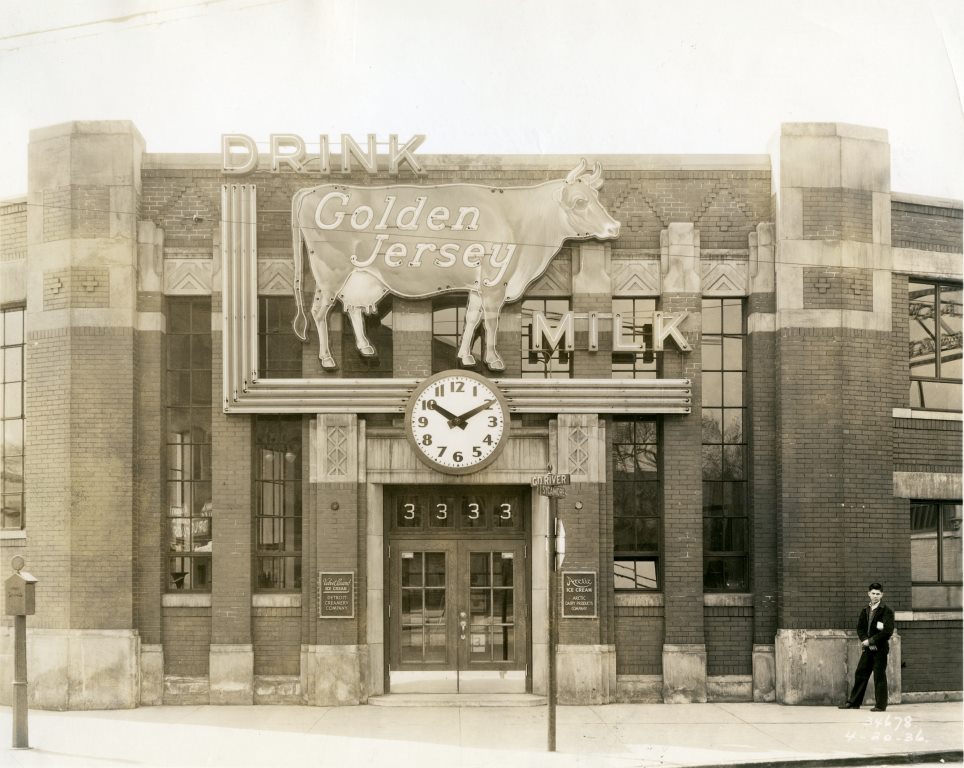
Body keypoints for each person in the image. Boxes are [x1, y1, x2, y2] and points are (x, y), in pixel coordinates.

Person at [838, 582, 895, 711]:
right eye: (873, 593)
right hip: (868, 648)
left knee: (879, 676)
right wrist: (865, 641)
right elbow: (860, 628)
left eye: (878, 594)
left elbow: (887, 631)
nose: (875, 596)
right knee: (861, 673)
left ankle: (880, 705)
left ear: (882, 595)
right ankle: (854, 703)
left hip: (880, 649)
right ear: (868, 594)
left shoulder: (887, 611)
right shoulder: (865, 610)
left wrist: (872, 641)